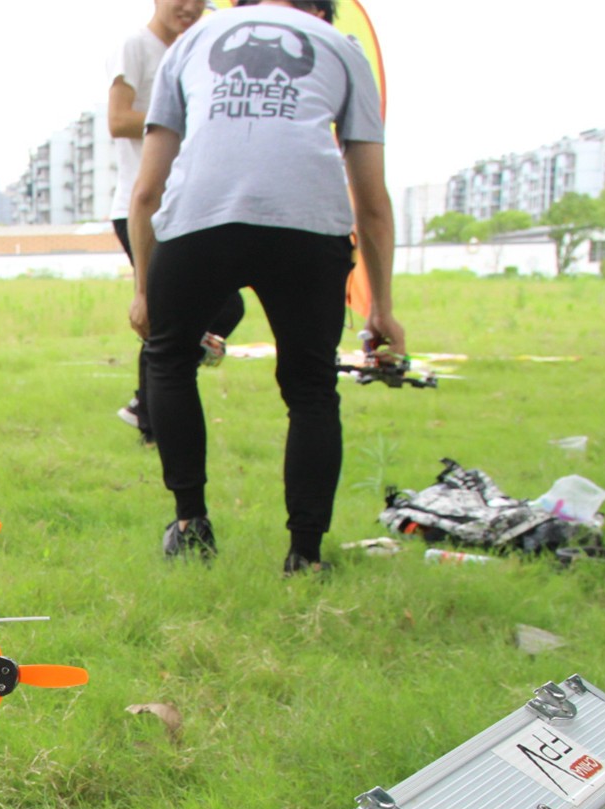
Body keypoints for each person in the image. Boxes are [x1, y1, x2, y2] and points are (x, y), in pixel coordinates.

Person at [126, 0, 405, 574]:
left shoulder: (191, 42)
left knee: (169, 359)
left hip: (199, 220)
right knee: (310, 388)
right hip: (308, 225)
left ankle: (190, 524)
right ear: (322, 12)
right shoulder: (344, 48)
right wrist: (381, 310)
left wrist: (143, 290)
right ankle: (304, 554)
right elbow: (373, 203)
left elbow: (147, 191)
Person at [107, 0, 245, 443]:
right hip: (139, 205)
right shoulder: (136, 46)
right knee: (176, 315)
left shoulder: (202, 50)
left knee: (207, 310)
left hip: (185, 207)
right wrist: (188, 117)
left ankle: (148, 403)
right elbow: (117, 118)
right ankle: (150, 411)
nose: (189, 7)